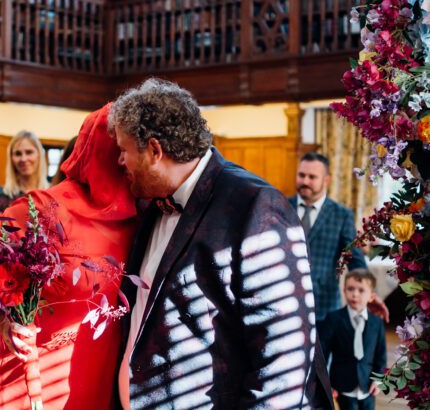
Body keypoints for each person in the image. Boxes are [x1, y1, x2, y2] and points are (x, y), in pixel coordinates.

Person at [110, 79, 332, 409]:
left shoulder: (255, 206)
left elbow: (283, 360)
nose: (119, 161)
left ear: (155, 151)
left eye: (124, 150)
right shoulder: (149, 204)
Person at [0, 104, 137, 409]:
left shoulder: (143, 215)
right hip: (32, 375)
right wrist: (3, 321)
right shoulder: (45, 207)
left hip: (100, 367)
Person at [288, 152, 368, 322]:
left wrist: (365, 290)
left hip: (325, 308)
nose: (305, 181)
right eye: (301, 175)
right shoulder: (281, 207)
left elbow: (355, 258)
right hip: (286, 303)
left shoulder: (342, 215)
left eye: (312, 177)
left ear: (326, 180)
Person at [318, 269, 386, 410]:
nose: (355, 294)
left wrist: (378, 380)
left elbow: (381, 355)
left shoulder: (377, 322)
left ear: (371, 297)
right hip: (342, 386)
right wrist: (326, 384)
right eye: (350, 289)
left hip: (368, 386)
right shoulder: (333, 319)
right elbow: (323, 354)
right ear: (344, 291)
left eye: (361, 290)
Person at [0, 131, 48, 214]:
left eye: (29, 152)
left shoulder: (50, 192)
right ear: (11, 158)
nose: (23, 159)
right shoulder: (3, 194)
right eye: (18, 154)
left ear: (39, 155)